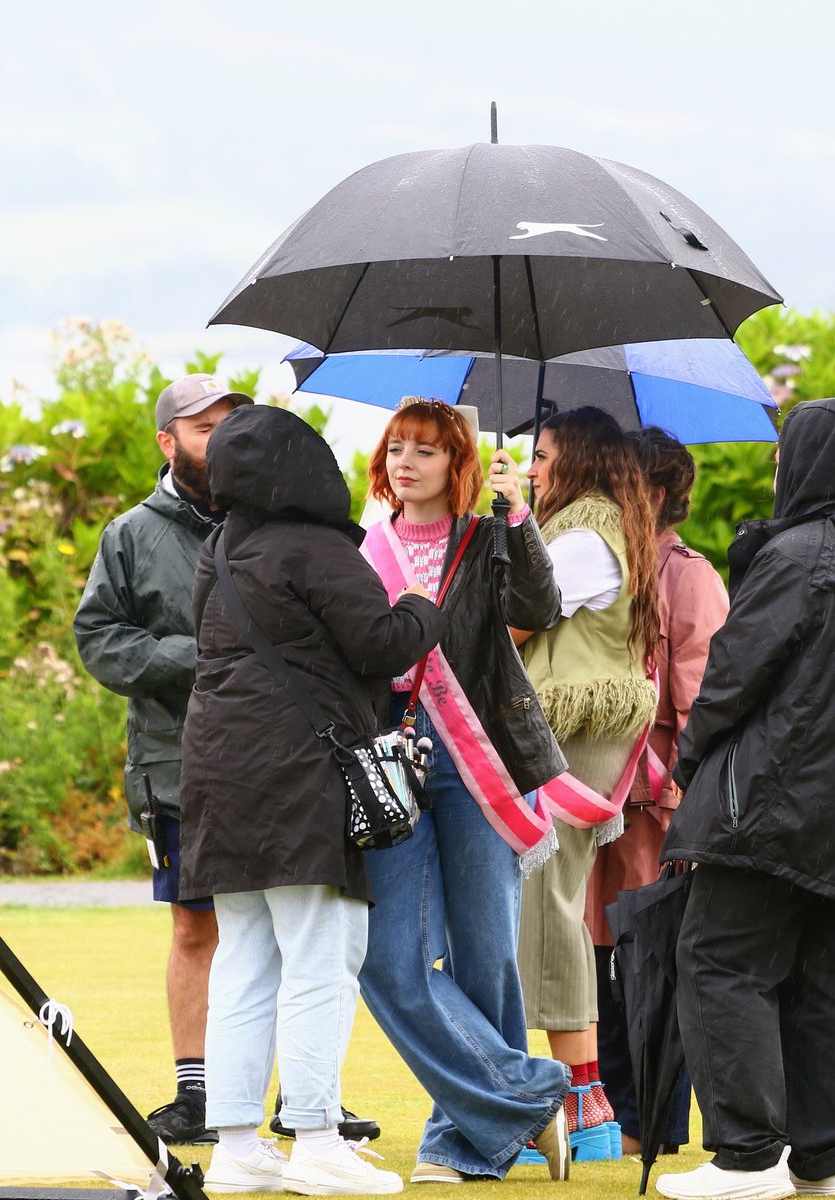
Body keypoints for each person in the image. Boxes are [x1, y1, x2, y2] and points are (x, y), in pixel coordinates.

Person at [654, 398, 835, 1200]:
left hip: (772, 807)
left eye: (786, 455)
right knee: (833, 978)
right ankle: (827, 1162)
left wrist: (687, 759)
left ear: (803, 465)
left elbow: (731, 677)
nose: (778, 468)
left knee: (718, 958)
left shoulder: (797, 556)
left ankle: (748, 1156)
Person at [180, 403, 446, 1195]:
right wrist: (426, 607)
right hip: (299, 775)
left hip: (219, 773)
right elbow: (383, 645)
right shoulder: (320, 546)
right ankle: (318, 1141)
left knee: (246, 962)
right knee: (322, 959)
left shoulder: (219, 547)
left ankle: (235, 1146)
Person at [356, 398, 572, 1184]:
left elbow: (538, 609)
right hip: (395, 763)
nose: (408, 462)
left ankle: (462, 1139)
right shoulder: (363, 544)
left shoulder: (486, 536)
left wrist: (520, 519)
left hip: (482, 762)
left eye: (427, 451)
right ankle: (530, 1098)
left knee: (486, 954)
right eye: (398, 448)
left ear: (458, 464)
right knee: (391, 956)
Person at [73, 372, 252, 1145]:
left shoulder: (275, 520)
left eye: (229, 426)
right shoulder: (129, 534)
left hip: (274, 760)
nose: (218, 440)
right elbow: (99, 640)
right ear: (167, 440)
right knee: (194, 929)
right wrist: (195, 656)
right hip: (175, 763)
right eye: (203, 427)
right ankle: (196, 1097)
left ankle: (301, 1098)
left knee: (289, 930)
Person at [514, 406, 660, 1160]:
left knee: (547, 904)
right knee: (551, 903)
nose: (532, 467)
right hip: (576, 735)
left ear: (576, 460)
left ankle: (582, 1103)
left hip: (565, 735)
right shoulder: (605, 525)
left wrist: (508, 527)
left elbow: (513, 620)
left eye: (540, 455)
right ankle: (583, 1101)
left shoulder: (579, 536)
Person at [583, 428, 729, 1157]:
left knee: (650, 967)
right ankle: (614, 1123)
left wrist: (670, 788)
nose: (608, 500)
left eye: (622, 486)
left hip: (652, 810)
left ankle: (652, 1130)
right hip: (593, 801)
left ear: (661, 493)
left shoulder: (689, 575)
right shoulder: (609, 567)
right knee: (600, 966)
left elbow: (705, 701)